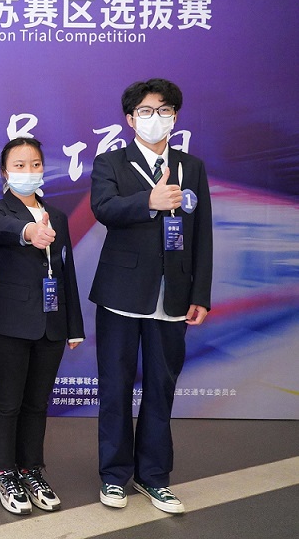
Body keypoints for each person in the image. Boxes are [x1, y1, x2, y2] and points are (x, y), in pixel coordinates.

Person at [90, 78, 212, 514]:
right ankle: (114, 476)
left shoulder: (191, 166)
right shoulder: (110, 162)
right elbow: (104, 209)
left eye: (163, 110)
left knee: (161, 389)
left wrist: (200, 293)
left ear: (175, 117)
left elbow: (202, 233)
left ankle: (154, 477)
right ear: (130, 119)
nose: (155, 118)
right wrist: (150, 200)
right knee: (116, 388)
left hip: (173, 295)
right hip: (121, 294)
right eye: (145, 111)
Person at [0, 137, 85, 515]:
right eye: (19, 165)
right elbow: (2, 228)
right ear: (5, 173)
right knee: (8, 403)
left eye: (35, 164)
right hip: (7, 326)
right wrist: (29, 232)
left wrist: (73, 326)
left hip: (51, 325)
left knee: (37, 404)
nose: (28, 171)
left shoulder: (57, 215)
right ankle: (4, 472)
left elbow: (66, 272)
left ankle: (30, 469)